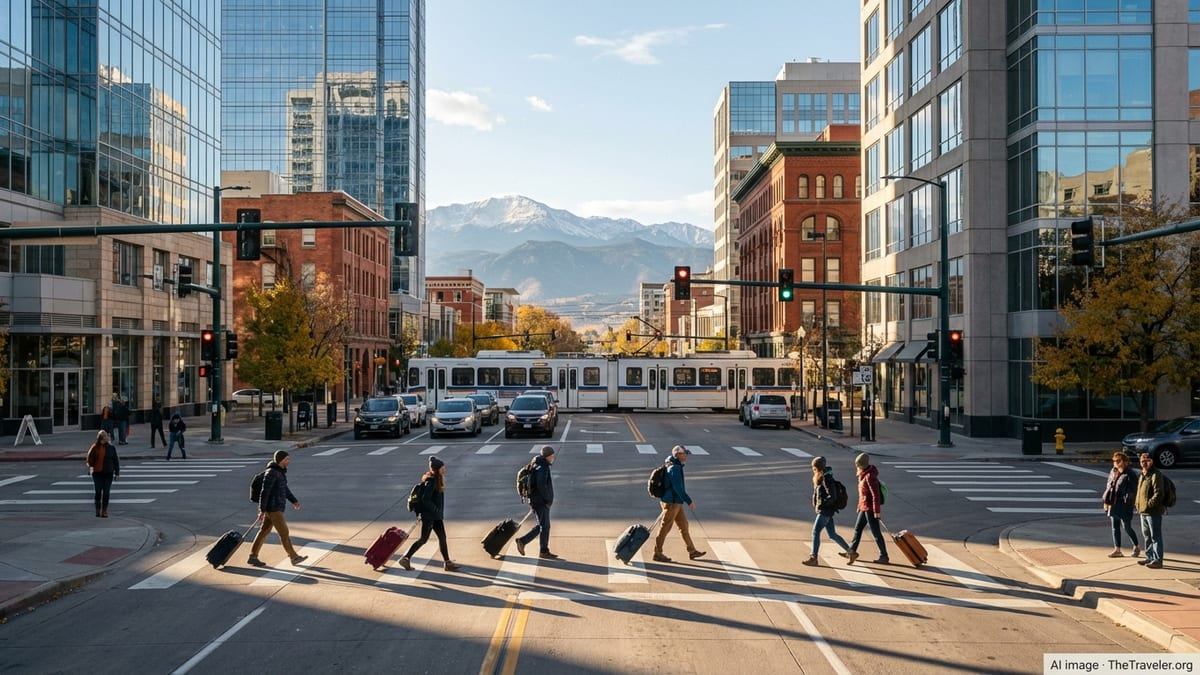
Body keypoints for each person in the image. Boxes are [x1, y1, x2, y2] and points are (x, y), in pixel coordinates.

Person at [399, 457, 461, 571]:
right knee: (423, 539)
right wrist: (435, 510)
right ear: (437, 469)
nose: (444, 468)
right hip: (429, 517)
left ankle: (447, 563)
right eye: (442, 467)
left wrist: (437, 512)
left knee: (442, 538)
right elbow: (425, 499)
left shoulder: (437, 479)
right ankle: (405, 558)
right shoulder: (431, 482)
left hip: (435, 517)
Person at [248, 450, 307, 567]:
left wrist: (294, 501)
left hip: (275, 507)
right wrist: (262, 510)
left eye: (288, 459)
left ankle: (253, 557)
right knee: (284, 532)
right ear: (280, 460)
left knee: (264, 531)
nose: (288, 462)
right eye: (286, 460)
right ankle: (293, 556)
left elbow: (285, 489)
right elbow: (264, 493)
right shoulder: (271, 473)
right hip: (273, 508)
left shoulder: (280, 473)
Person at [652, 445, 706, 563]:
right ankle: (657, 552)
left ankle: (692, 551)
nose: (686, 455)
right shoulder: (674, 468)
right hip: (671, 503)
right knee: (665, 527)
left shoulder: (674, 465)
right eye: (684, 453)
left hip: (676, 502)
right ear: (678, 454)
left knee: (683, 526)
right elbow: (677, 487)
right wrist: (688, 500)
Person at [802, 456, 853, 566]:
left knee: (815, 532)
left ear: (817, 468)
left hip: (825, 511)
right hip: (827, 511)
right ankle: (851, 552)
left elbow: (832, 496)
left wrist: (822, 504)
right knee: (832, 535)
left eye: (814, 467)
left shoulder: (826, 478)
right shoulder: (825, 476)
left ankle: (813, 557)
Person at [515, 445, 558, 559]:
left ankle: (538, 548)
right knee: (544, 526)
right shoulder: (543, 467)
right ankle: (530, 545)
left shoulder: (536, 463)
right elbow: (541, 485)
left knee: (543, 525)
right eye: (552, 456)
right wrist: (547, 499)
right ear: (547, 456)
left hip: (535, 500)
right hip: (540, 501)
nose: (553, 458)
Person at [846, 452, 887, 564]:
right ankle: (852, 551)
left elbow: (876, 495)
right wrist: (859, 506)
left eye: (858, 464)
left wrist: (876, 511)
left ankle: (884, 556)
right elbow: (862, 494)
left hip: (870, 509)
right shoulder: (863, 474)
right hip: (864, 508)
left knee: (876, 533)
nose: (856, 467)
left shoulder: (869, 477)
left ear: (862, 465)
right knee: (857, 529)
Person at [1102, 451, 1140, 558]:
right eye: (1114, 461)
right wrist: (1106, 501)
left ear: (1125, 462)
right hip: (1113, 502)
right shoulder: (1113, 472)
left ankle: (1136, 546)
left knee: (1126, 526)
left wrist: (1130, 502)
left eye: (1118, 461)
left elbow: (1133, 490)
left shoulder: (1130, 474)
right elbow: (1108, 486)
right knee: (1115, 527)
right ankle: (1117, 549)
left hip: (1125, 504)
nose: (1116, 463)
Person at [1134, 452, 1167, 569]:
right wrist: (1137, 505)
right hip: (1143, 511)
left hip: (1153, 512)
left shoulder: (1155, 474)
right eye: (1142, 461)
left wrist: (1149, 504)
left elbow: (1159, 493)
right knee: (1147, 536)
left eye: (1147, 461)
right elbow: (1139, 492)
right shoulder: (1142, 474)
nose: (1144, 463)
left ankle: (1158, 560)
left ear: (1151, 461)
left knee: (1155, 536)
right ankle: (1149, 556)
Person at [85, 430, 120, 517]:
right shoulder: (95, 447)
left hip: (108, 473)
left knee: (106, 492)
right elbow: (89, 459)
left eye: (107, 437)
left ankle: (104, 511)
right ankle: (97, 510)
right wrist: (91, 468)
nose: (107, 439)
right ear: (101, 438)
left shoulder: (111, 448)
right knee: (98, 492)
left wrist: (117, 473)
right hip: (97, 473)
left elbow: (116, 460)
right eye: (105, 437)